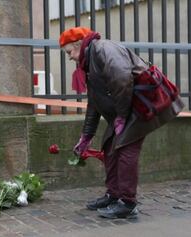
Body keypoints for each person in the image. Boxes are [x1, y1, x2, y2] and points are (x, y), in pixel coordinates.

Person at [59, 27, 184, 219]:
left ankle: (127, 203)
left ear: (78, 45)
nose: (69, 57)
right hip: (125, 108)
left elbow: (123, 79)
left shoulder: (103, 49)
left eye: (69, 52)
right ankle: (113, 195)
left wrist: (121, 117)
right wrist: (87, 136)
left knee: (125, 149)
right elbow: (95, 102)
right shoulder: (89, 61)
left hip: (139, 106)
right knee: (109, 146)